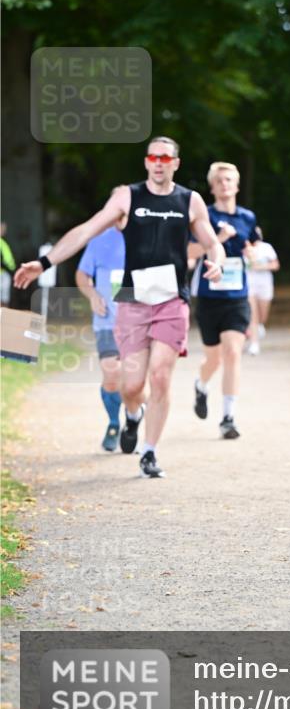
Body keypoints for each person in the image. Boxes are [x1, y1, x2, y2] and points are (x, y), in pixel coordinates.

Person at [14, 137, 225, 479]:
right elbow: (85, 231)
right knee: (131, 385)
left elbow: (212, 243)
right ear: (146, 162)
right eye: (153, 157)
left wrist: (216, 262)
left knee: (160, 375)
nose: (158, 162)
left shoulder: (190, 200)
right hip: (132, 298)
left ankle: (150, 451)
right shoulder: (127, 196)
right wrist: (44, 262)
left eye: (165, 157)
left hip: (171, 298)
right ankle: (132, 415)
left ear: (175, 163)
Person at [189, 162, 258, 439]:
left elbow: (253, 246)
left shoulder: (248, 217)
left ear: (237, 185)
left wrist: (252, 253)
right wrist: (217, 239)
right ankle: (201, 384)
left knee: (232, 353)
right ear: (212, 186)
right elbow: (189, 251)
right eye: (219, 180)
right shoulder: (202, 217)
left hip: (237, 296)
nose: (225, 184)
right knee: (213, 359)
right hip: (209, 296)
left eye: (229, 180)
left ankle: (228, 418)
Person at [75, 217, 126, 452]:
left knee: (135, 381)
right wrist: (93, 296)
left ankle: (133, 419)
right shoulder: (99, 239)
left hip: (139, 322)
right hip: (107, 320)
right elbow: (82, 274)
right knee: (112, 372)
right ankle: (115, 423)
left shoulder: (148, 235)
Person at [246, 227, 280, 355]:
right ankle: (254, 344)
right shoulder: (244, 248)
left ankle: (260, 325)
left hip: (264, 283)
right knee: (252, 314)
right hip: (249, 284)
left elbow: (275, 264)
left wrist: (261, 266)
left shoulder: (266, 248)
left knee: (262, 314)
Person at [1, 222, 16, 306]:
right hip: (2, 274)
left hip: (5, 273)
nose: (4, 231)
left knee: (4, 298)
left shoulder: (4, 243)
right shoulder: (2, 243)